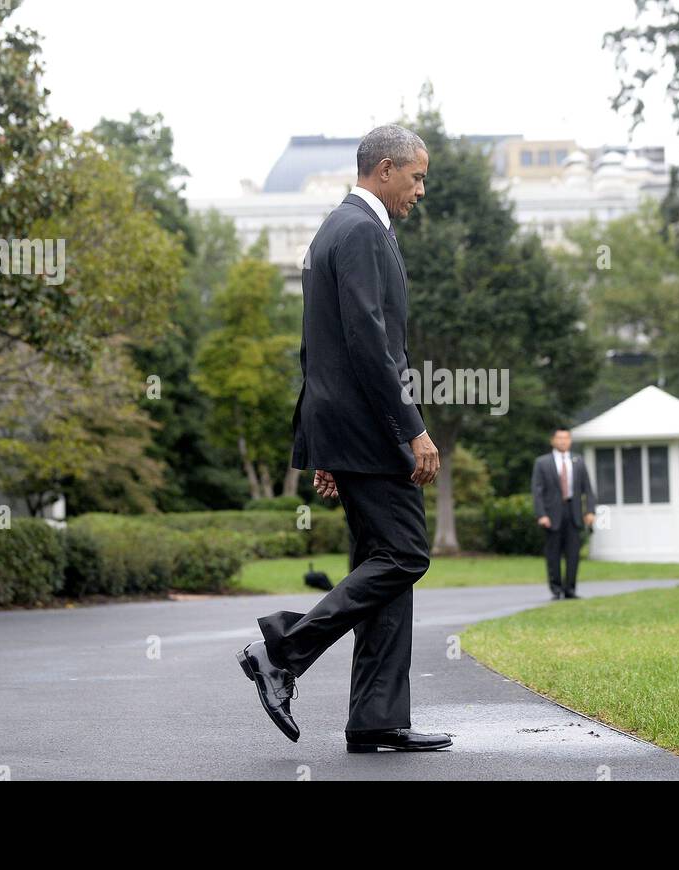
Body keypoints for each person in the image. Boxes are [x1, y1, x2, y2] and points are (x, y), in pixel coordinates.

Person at [237, 124, 451, 753]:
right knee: (405, 554)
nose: (419, 191)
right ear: (384, 170)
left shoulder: (336, 229)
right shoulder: (359, 231)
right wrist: (412, 428)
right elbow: (365, 344)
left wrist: (322, 446)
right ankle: (283, 649)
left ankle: (377, 718)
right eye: (416, 178)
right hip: (373, 431)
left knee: (381, 563)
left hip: (348, 431)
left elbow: (314, 352)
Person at [531, 427, 595, 600]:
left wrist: (589, 510)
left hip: (573, 513)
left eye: (566, 438)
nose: (563, 441)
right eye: (559, 438)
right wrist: (541, 514)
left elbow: (587, 489)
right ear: (553, 440)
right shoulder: (542, 463)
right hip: (552, 514)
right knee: (553, 554)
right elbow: (537, 491)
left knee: (573, 553)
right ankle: (556, 588)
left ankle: (570, 589)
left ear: (570, 440)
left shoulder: (578, 461)